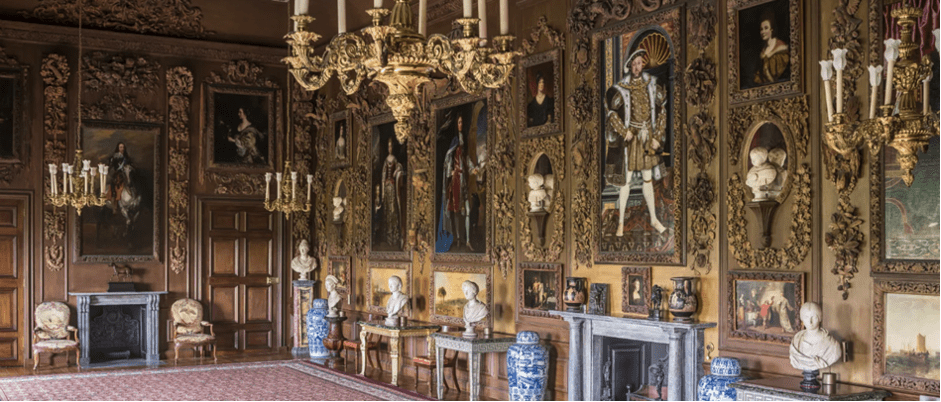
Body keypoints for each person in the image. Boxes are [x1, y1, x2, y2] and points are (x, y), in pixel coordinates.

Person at [605, 48, 668, 236]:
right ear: (629, 66)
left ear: (643, 64)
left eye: (639, 63)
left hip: (647, 135)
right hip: (631, 137)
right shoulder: (621, 88)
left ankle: (655, 220)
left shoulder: (653, 84)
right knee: (627, 179)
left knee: (647, 178)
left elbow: (662, 112)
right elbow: (611, 114)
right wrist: (624, 132)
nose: (637, 67)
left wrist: (657, 137)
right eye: (633, 64)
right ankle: (621, 223)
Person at [438, 114, 479, 251]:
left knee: (467, 210)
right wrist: (450, 170)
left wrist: (474, 169)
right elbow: (448, 161)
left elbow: (467, 160)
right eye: (459, 122)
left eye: (462, 122)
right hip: (456, 181)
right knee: (456, 211)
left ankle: (467, 240)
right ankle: (458, 239)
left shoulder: (463, 145)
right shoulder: (454, 143)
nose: (460, 124)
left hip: (464, 181)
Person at [789, 302, 842, 371]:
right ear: (802, 318)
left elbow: (836, 354)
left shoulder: (832, 345)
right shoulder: (796, 342)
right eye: (806, 317)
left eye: (814, 317)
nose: (810, 321)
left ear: (820, 318)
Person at [377, 138, 405, 248]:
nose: (390, 148)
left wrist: (395, 172)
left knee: (393, 209)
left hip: (393, 187)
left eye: (391, 146)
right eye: (388, 146)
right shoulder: (385, 160)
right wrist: (383, 191)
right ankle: (387, 236)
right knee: (387, 209)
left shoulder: (394, 159)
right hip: (387, 187)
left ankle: (394, 235)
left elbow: (400, 168)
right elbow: (383, 175)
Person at [753, 12, 790, 86]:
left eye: (766, 28)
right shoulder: (762, 52)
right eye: (761, 29)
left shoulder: (781, 48)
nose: (763, 32)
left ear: (771, 29)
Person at [106, 142, 135, 214]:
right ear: (118, 148)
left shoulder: (126, 157)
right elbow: (111, 166)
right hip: (117, 175)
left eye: (123, 147)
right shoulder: (114, 157)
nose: (122, 149)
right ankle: (115, 205)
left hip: (125, 174)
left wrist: (130, 167)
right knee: (115, 186)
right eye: (120, 147)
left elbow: (130, 164)